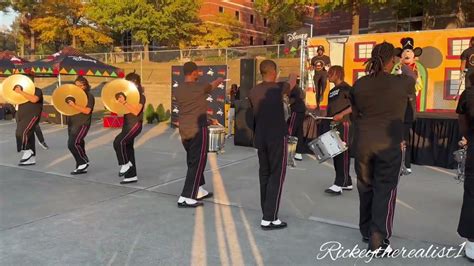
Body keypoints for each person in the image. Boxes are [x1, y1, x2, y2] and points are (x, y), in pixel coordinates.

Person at [350, 42, 415, 255]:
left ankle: (366, 231)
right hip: (388, 144)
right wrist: (403, 65)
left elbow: (355, 115)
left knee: (365, 187)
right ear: (392, 60)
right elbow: (409, 73)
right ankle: (378, 241)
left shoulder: (359, 84)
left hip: (363, 142)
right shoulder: (403, 82)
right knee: (384, 190)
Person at [248, 59, 297, 230]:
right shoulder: (279, 88)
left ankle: (266, 214)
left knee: (265, 175)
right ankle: (271, 217)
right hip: (277, 137)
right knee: (277, 175)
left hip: (261, 137)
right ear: (274, 72)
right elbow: (292, 81)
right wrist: (292, 75)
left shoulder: (253, 91)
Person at [174, 61, 224, 207]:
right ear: (194, 72)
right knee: (197, 162)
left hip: (184, 129)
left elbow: (191, 108)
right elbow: (212, 85)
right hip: (197, 129)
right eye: (197, 72)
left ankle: (199, 189)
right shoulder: (199, 87)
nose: (199, 74)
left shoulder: (178, 90)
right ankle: (187, 196)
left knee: (192, 160)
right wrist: (219, 80)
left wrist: (208, 119)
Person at [324, 66, 353, 195]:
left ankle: (339, 183)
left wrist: (341, 114)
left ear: (338, 73)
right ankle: (347, 182)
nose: (327, 75)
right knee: (336, 153)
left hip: (345, 124)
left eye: (330, 73)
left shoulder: (347, 88)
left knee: (343, 153)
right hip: (334, 124)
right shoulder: (332, 91)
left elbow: (356, 104)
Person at [113, 72, 146, 184]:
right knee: (128, 149)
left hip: (135, 124)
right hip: (127, 125)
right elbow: (120, 110)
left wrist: (125, 102)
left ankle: (126, 164)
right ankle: (131, 176)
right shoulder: (126, 95)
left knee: (118, 142)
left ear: (136, 83)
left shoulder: (141, 97)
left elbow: (136, 111)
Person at [455, 73, 474, 262]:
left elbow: (463, 123)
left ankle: (472, 243)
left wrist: (468, 138)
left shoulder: (468, 95)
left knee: (472, 194)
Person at [66, 76, 95, 175]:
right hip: (72, 123)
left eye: (80, 85)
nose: (78, 87)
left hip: (82, 123)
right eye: (76, 85)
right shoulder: (73, 95)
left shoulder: (89, 96)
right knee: (79, 144)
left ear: (85, 85)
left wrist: (74, 105)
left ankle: (83, 162)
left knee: (72, 144)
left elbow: (87, 111)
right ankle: (81, 165)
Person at [14, 83, 43, 166]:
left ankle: (27, 150)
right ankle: (31, 159)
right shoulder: (19, 92)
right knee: (29, 136)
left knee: (21, 133)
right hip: (21, 115)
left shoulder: (36, 90)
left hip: (32, 115)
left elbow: (34, 99)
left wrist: (21, 92)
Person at [287, 78, 306, 161]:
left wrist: (286, 102)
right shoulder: (299, 89)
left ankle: (289, 153)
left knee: (291, 131)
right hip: (301, 111)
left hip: (296, 110)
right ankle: (298, 153)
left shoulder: (295, 90)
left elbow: (292, 100)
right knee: (299, 131)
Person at [311, 45, 331, 110]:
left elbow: (330, 66)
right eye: (319, 50)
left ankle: (322, 94)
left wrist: (327, 67)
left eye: (321, 50)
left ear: (323, 51)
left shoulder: (326, 58)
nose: (320, 51)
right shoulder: (314, 58)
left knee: (324, 83)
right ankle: (317, 105)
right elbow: (311, 67)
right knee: (317, 90)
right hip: (316, 75)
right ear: (317, 51)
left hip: (324, 74)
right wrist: (311, 67)